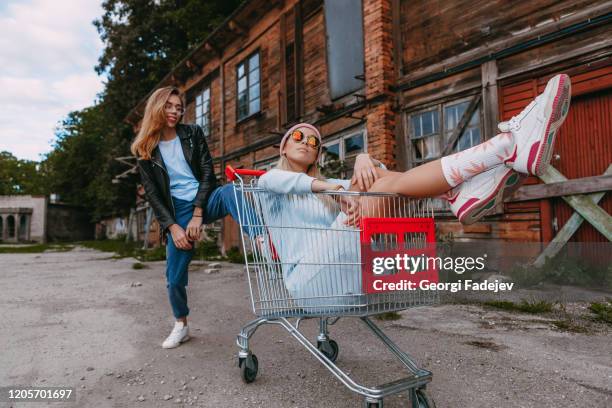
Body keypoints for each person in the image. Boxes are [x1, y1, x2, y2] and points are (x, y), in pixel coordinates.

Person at [257, 74, 571, 308]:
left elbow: (377, 182)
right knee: (374, 188)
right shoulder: (268, 183)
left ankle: (496, 158)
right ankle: (498, 156)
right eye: (299, 136)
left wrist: (365, 158)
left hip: (348, 276)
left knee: (377, 179)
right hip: (308, 283)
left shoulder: (329, 190)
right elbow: (282, 182)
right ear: (283, 147)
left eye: (314, 143)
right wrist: (331, 187)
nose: (307, 144)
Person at [131, 86, 253, 349]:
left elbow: (208, 172)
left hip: (204, 199)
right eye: (169, 106)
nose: (175, 111)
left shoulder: (192, 133)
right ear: (157, 107)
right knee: (174, 278)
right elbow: (153, 195)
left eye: (178, 107)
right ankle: (181, 325)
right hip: (176, 212)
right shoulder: (145, 150)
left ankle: (263, 238)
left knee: (232, 190)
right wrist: (174, 227)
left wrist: (199, 213)